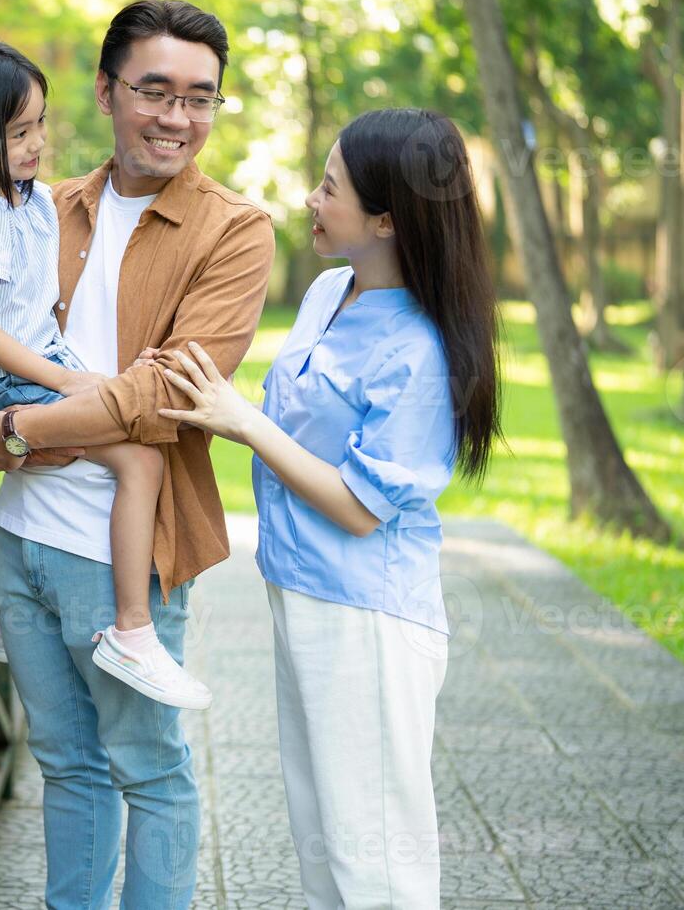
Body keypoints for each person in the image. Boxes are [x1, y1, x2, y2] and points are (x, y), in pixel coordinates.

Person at [0, 0, 277, 909]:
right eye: (156, 91)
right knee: (68, 766)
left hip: (127, 547)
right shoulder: (38, 206)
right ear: (105, 91)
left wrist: (18, 431)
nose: (178, 117)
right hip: (22, 539)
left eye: (201, 98)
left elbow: (172, 390)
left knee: (148, 767)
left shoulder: (235, 230)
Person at [156, 108, 501, 909]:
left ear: (386, 217)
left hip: (368, 617)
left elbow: (359, 508)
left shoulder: (418, 351)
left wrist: (244, 422)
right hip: (299, 591)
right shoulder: (325, 293)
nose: (311, 199)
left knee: (374, 860)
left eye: (330, 186)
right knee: (324, 843)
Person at [0, 39, 210, 710]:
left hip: (27, 367)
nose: (36, 142)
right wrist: (68, 382)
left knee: (70, 455)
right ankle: (133, 631)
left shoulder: (25, 202)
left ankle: (6, 621)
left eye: (40, 124)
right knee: (140, 462)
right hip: (6, 375)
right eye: (19, 132)